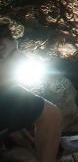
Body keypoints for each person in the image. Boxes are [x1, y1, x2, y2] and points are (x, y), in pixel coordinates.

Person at [0, 19, 62, 162]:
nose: (22, 58)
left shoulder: (7, 92)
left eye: (17, 50)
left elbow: (50, 115)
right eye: (9, 57)